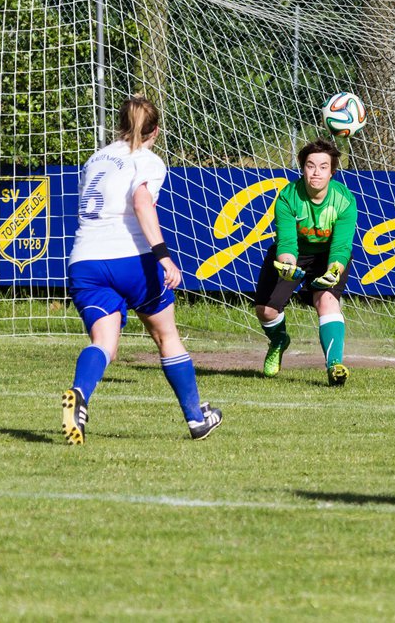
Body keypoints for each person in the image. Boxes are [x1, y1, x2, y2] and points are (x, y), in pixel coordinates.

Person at [61, 95, 222, 444]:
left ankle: (79, 393)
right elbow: (141, 202)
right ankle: (196, 418)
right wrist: (163, 256)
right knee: (166, 336)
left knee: (104, 343)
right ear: (156, 130)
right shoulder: (147, 161)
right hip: (130, 258)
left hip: (85, 260)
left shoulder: (95, 159)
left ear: (120, 123)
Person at [254, 137, 359, 386]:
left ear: (333, 171)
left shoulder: (345, 200)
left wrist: (335, 269)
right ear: (302, 168)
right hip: (295, 253)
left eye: (323, 167)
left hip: (327, 256)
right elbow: (287, 242)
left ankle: (334, 367)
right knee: (266, 311)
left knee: (327, 300)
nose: (316, 172)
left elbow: (342, 246)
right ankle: (279, 341)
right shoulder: (288, 197)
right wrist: (288, 264)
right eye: (311, 165)